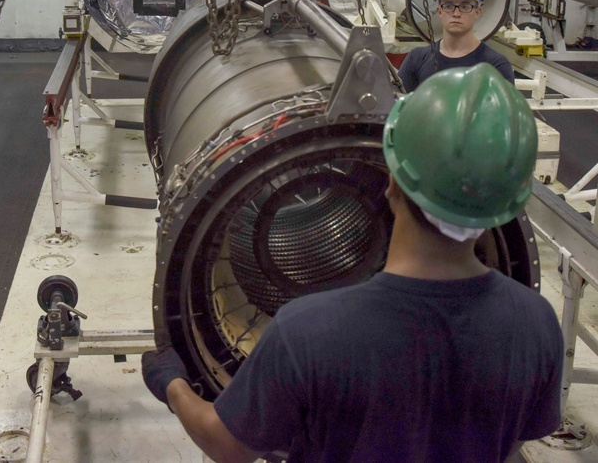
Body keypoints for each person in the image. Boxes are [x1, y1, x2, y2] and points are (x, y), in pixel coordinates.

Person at [141, 63, 563, 463]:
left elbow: (228, 446)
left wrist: (173, 384)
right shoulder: (536, 323)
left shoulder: (307, 332)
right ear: (505, 207)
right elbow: (512, 444)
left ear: (393, 178)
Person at [398, 0, 515, 92]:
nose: (456, 13)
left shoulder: (496, 66)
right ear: (439, 11)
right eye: (448, 6)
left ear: (477, 12)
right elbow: (399, 106)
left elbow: (504, 110)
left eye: (465, 6)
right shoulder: (417, 59)